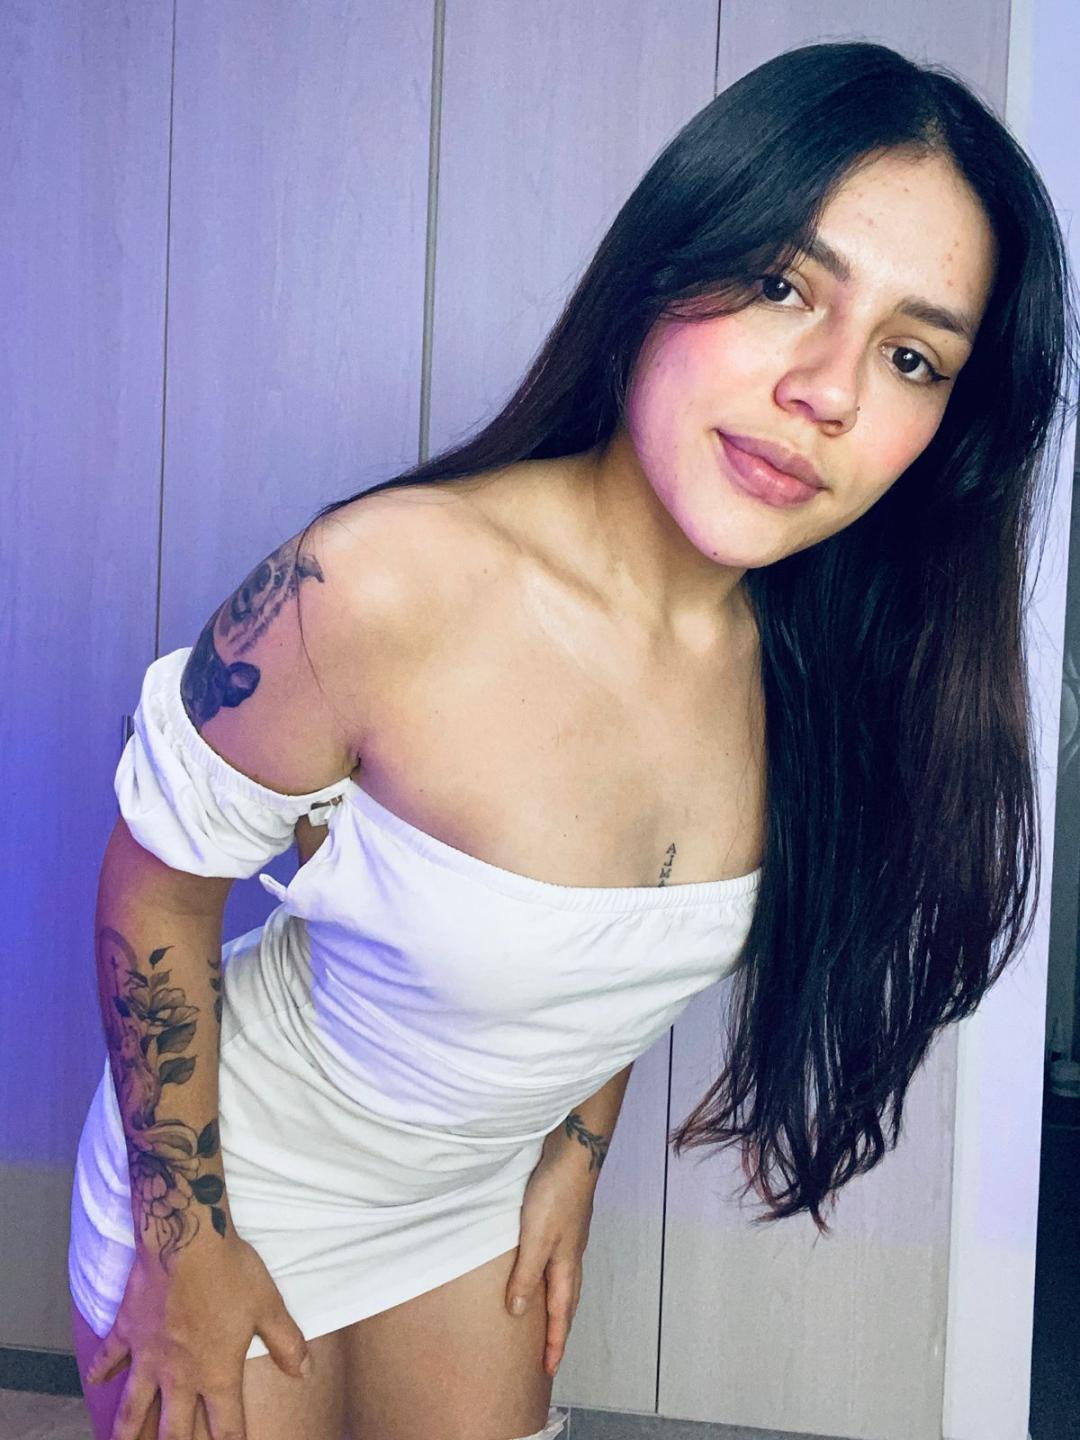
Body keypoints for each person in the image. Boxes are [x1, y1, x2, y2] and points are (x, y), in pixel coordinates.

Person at [66, 38, 1077, 1440]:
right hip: (234, 1178)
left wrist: (573, 1160)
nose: (829, 390)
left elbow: (618, 942)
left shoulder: (832, 674)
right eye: (784, 285)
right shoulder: (379, 584)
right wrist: (185, 1246)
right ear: (667, 265)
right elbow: (155, 889)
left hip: (472, 1202)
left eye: (911, 356)